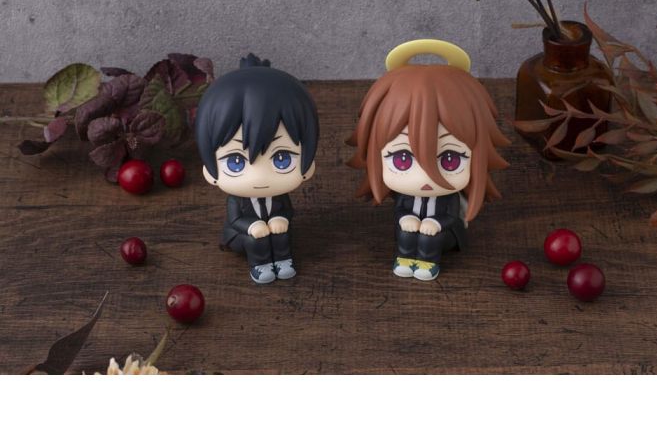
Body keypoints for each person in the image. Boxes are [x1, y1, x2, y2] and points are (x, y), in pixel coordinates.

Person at [347, 39, 509, 281]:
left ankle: (428, 264)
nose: (425, 176)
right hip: (410, 231)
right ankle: (404, 259)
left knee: (429, 236)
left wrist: (436, 224)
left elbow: (450, 216)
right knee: (406, 231)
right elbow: (401, 209)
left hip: (443, 235)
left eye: (450, 160)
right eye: (402, 159)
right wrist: (406, 218)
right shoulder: (406, 196)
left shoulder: (449, 199)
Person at [195, 54, 319, 284]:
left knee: (282, 233)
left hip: (274, 232)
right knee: (255, 240)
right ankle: (260, 267)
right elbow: (235, 220)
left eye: (282, 158)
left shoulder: (279, 196)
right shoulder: (237, 200)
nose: (259, 177)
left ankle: (283, 261)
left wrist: (281, 219)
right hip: (242, 236)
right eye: (236, 161)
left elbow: (287, 211)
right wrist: (252, 226)